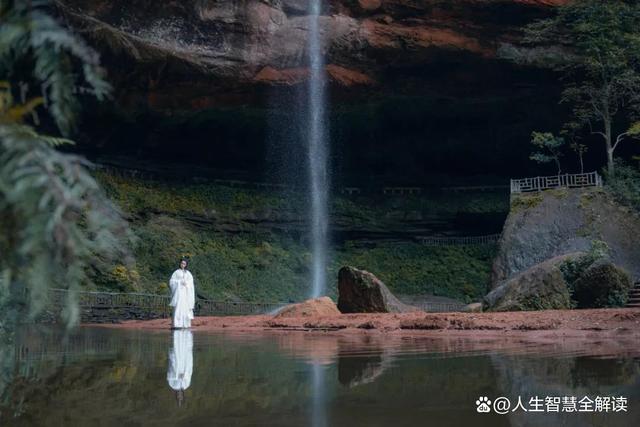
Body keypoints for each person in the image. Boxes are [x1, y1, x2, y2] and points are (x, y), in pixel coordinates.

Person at [167, 329, 193, 407]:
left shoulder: (172, 385)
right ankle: (184, 335)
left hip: (178, 366)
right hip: (183, 365)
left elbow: (169, 376)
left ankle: (178, 335)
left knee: (176, 351)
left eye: (178, 397)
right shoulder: (186, 385)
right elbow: (189, 374)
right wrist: (184, 375)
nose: (179, 395)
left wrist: (177, 376)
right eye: (180, 396)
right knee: (184, 350)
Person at [169, 259, 195, 329]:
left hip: (186, 293)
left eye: (184, 263)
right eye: (182, 263)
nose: (183, 265)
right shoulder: (176, 272)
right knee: (178, 307)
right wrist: (179, 282)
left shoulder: (188, 273)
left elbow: (191, 283)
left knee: (185, 308)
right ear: (180, 264)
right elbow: (172, 282)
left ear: (186, 265)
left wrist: (187, 284)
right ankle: (177, 324)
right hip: (179, 293)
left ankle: (185, 324)